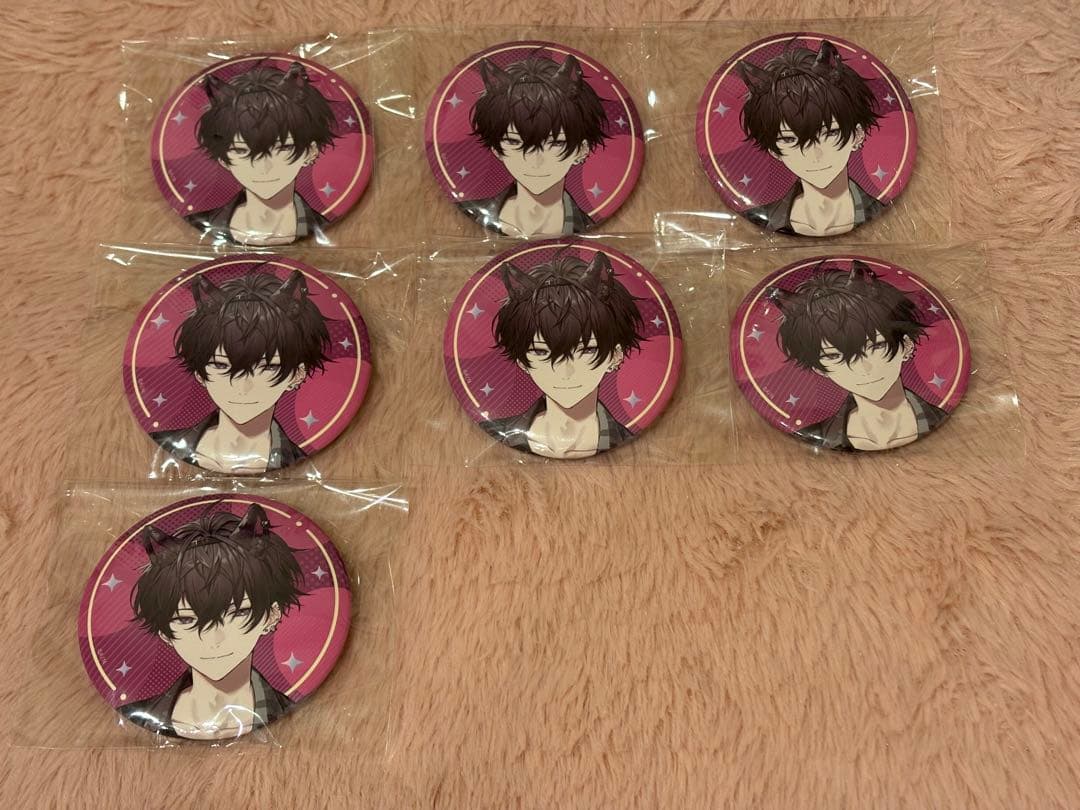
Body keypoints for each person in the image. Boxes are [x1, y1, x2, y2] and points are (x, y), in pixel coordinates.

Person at [122, 503, 306, 739]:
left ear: (271, 615)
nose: (213, 640)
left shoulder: (301, 717)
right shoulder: (136, 716)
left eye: (238, 613)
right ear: (164, 631)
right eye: (186, 619)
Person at [151, 268, 331, 473]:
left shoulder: (304, 465)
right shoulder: (160, 447)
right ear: (200, 373)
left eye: (268, 367)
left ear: (297, 375)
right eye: (221, 365)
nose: (242, 387)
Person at [481, 251, 645, 458]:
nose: (565, 372)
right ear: (522, 360)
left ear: (615, 355)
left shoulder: (634, 447)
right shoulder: (491, 434)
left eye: (587, 350)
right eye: (541, 351)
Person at [770, 260, 947, 451]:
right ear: (819, 369)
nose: (863, 369)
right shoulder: (815, 436)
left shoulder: (943, 420)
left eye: (876, 346)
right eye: (834, 356)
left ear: (906, 346)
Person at [737, 40, 884, 236]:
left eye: (830, 133)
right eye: (789, 140)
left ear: (857, 135)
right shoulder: (755, 219)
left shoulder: (881, 212)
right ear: (773, 150)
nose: (814, 156)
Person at [186, 61, 339, 245]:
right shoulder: (196, 225)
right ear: (223, 159)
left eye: (282, 148)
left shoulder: (326, 228)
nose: (263, 168)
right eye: (241, 150)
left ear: (311, 152)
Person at [458, 53, 609, 238]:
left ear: (582, 150)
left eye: (556, 143)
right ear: (496, 148)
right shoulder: (464, 215)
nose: (535, 161)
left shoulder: (591, 229)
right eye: (514, 141)